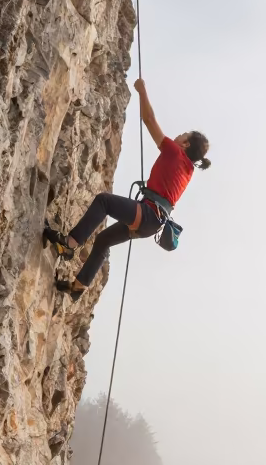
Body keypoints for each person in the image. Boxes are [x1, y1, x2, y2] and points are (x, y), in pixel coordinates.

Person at [45, 78, 210, 300]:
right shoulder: (188, 170)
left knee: (104, 201)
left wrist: (142, 91)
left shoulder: (174, 152)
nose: (178, 135)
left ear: (186, 145)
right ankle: (78, 287)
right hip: (153, 221)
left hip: (150, 214)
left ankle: (69, 244)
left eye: (183, 135)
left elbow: (149, 119)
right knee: (104, 240)